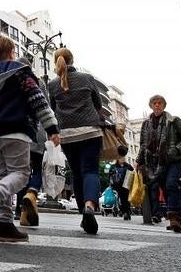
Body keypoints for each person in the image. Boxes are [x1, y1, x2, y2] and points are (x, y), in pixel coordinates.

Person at [0, 33, 60, 243]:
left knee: (2, 175)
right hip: (15, 129)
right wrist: (52, 127)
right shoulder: (19, 72)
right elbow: (37, 98)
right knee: (20, 174)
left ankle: (4, 225)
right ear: (12, 53)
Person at [48, 48, 103, 235]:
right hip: (90, 132)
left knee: (77, 174)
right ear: (73, 59)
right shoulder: (87, 78)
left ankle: (83, 214)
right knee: (90, 171)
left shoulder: (53, 85)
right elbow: (98, 104)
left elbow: (52, 110)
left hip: (68, 135)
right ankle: (89, 206)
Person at [135, 95, 181, 233]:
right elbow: (143, 145)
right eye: (154, 103)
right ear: (151, 105)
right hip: (156, 164)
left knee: (171, 184)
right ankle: (175, 219)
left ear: (164, 105)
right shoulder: (146, 124)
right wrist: (139, 160)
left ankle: (174, 218)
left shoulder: (174, 120)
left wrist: (175, 150)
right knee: (165, 190)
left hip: (173, 160)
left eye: (159, 103)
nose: (157, 105)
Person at [13, 57, 47, 227]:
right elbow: (45, 106)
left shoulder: (13, 80)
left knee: (21, 171)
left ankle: (20, 210)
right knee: (37, 169)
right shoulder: (39, 82)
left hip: (22, 131)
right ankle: (32, 193)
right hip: (38, 132)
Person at [108, 146, 134, 220]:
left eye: (123, 157)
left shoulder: (128, 166)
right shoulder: (113, 167)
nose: (123, 159)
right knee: (120, 199)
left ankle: (126, 212)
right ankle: (124, 211)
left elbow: (133, 173)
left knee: (125, 199)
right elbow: (110, 176)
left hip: (126, 186)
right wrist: (110, 184)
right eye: (121, 157)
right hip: (117, 186)